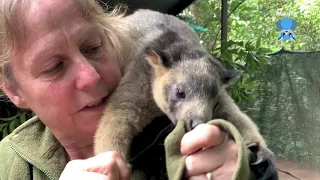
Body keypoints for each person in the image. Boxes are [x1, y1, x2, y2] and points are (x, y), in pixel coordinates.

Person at [0, 0, 276, 179]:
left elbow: (227, 112)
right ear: (14, 91)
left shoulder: (187, 88)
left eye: (94, 47)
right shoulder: (10, 163)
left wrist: (248, 161)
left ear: (112, 42)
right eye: (53, 67)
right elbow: (118, 122)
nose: (90, 76)